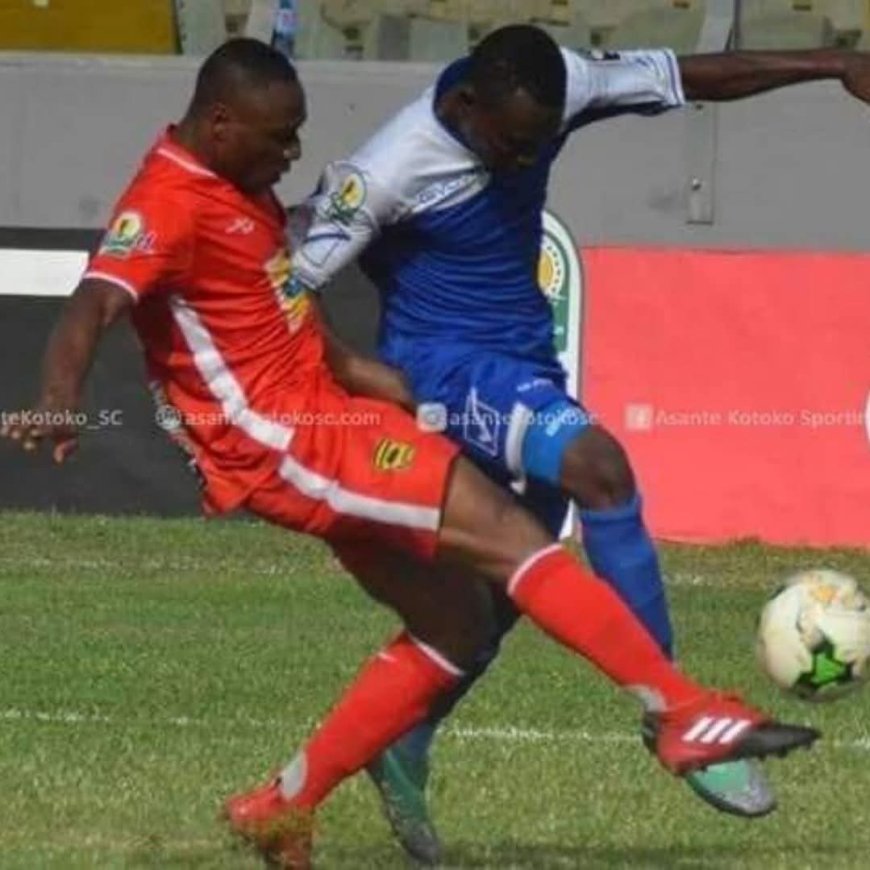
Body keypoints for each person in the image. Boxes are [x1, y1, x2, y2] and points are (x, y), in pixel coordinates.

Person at [1, 38, 819, 870]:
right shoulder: (169, 201)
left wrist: (367, 375)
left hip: (329, 415)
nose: (293, 155)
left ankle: (281, 808)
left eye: (296, 133)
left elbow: (276, 303)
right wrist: (61, 398)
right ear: (218, 122)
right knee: (515, 538)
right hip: (288, 439)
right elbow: (94, 301)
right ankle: (681, 711)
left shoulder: (235, 186)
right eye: (279, 137)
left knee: (457, 626)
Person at [291, 25, 870, 860]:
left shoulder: (554, 85)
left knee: (504, 588)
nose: (525, 160)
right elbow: (282, 274)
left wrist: (830, 64)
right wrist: (348, 372)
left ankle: (398, 743)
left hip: (522, 359)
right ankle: (678, 710)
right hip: (441, 371)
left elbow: (696, 72)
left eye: (539, 144)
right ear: (464, 105)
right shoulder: (390, 166)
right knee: (602, 470)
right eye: (511, 144)